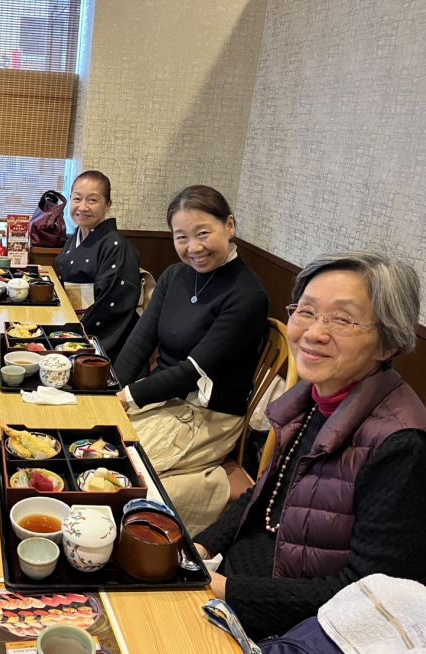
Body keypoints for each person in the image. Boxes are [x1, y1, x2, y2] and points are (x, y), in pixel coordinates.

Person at [194, 251, 426, 640]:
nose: (314, 332)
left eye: (343, 319)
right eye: (307, 311)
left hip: (303, 633)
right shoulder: (315, 399)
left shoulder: (405, 449)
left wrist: (226, 590)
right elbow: (264, 497)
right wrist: (201, 547)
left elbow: (369, 599)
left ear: (387, 343)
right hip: (242, 589)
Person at [114, 185, 269, 534]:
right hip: (163, 399)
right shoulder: (174, 276)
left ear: (230, 226)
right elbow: (140, 341)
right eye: (181, 237)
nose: (194, 248)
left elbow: (192, 372)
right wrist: (110, 391)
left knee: (117, 464)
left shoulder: (247, 294)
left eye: (203, 233)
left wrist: (125, 397)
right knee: (92, 436)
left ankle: (213, 484)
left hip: (207, 415)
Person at [55, 171, 141, 358]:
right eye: (77, 199)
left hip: (98, 338)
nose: (82, 207)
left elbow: (111, 306)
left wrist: (73, 336)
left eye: (92, 200)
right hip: (71, 323)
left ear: (107, 205)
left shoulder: (116, 246)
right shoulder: (74, 238)